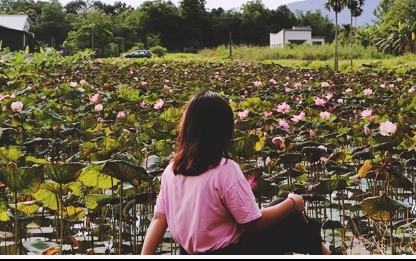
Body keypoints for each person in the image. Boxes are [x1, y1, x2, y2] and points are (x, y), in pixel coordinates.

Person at [141, 90, 331, 255]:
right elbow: (252, 224)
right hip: (230, 252)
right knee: (289, 213)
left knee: (280, 203)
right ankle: (325, 253)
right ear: (223, 132)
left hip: (187, 252)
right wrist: (292, 204)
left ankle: (323, 251)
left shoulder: (171, 170)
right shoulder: (225, 170)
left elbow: (159, 219)